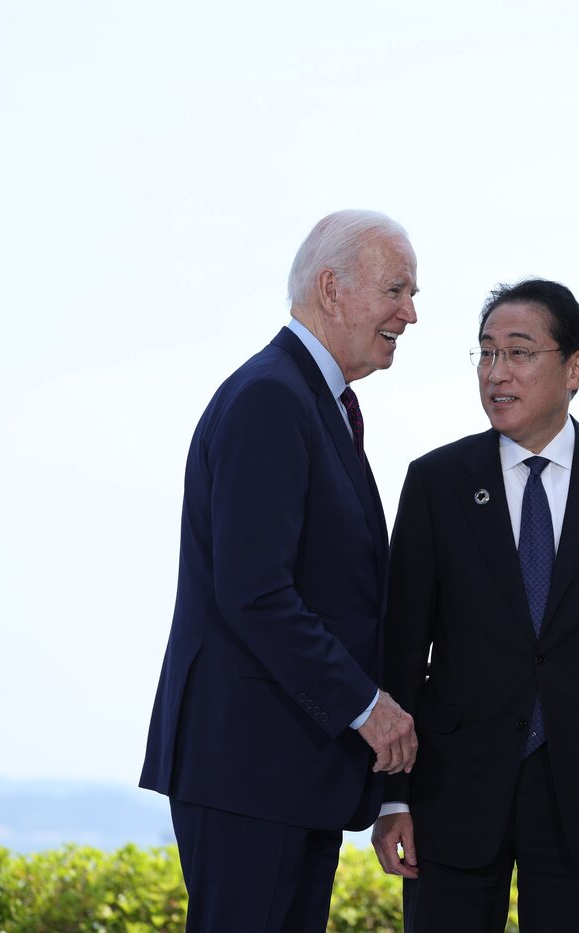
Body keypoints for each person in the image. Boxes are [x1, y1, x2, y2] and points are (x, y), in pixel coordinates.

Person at [373, 278, 579, 933]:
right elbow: (401, 647)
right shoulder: (437, 482)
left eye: (518, 353)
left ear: (576, 366)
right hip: (453, 789)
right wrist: (392, 795)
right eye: (486, 354)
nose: (497, 373)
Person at [139, 209, 420, 932]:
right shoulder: (271, 397)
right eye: (395, 289)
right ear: (332, 288)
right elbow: (255, 592)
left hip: (291, 774)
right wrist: (366, 705)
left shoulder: (312, 400)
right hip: (250, 772)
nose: (409, 314)